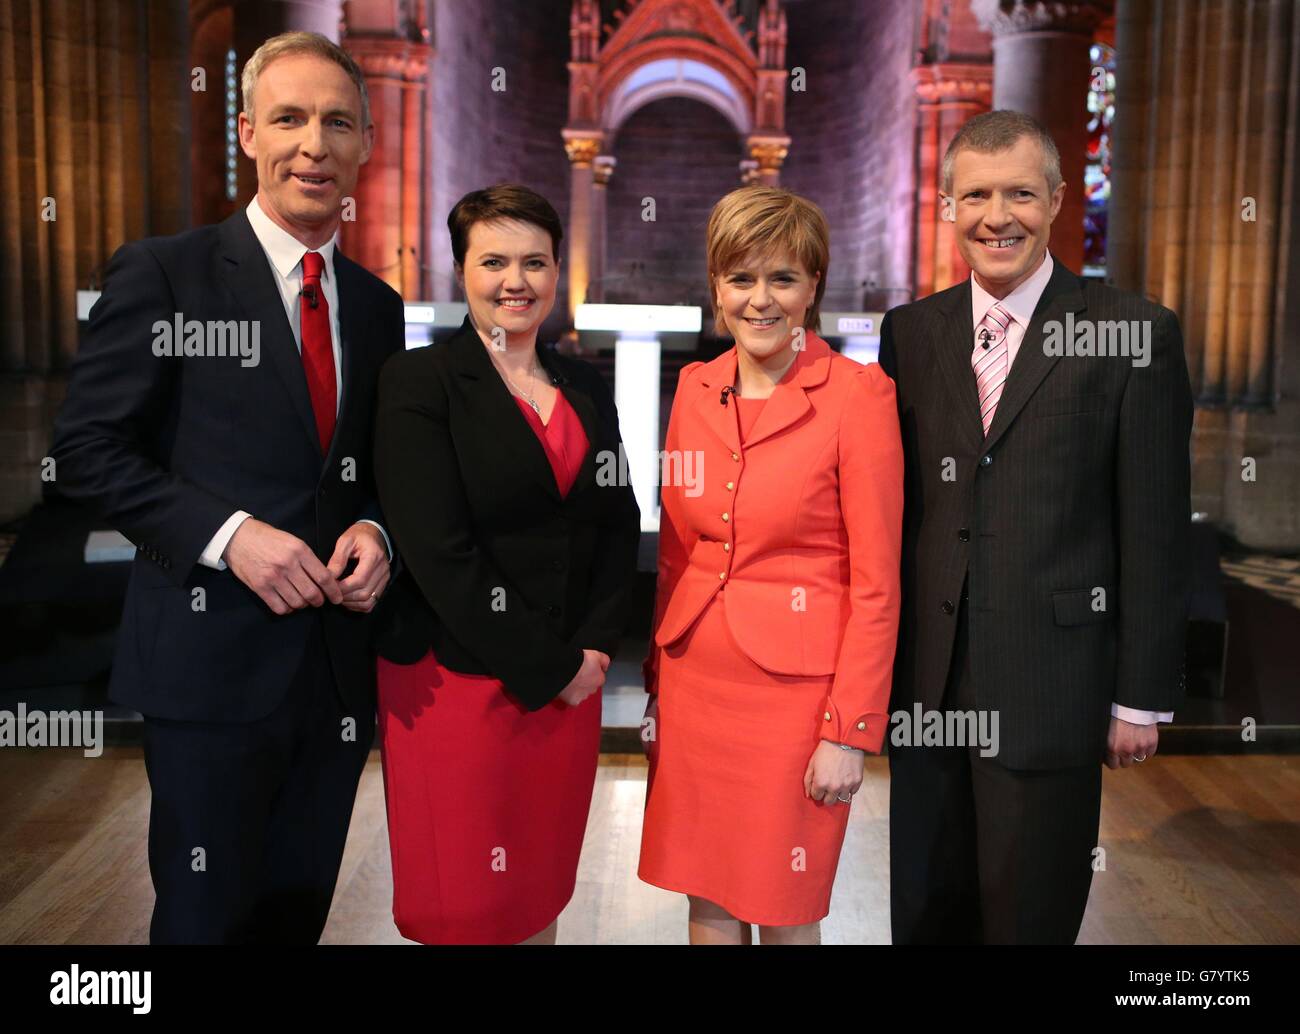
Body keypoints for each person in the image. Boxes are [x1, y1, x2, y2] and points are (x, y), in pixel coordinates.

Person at [48, 32, 403, 942]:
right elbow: (88, 451)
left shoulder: (375, 305)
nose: (312, 146)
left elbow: (373, 467)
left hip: (332, 675)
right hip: (209, 670)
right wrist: (229, 534)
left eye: (336, 123)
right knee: (204, 919)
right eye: (288, 118)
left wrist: (378, 529)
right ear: (247, 132)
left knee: (294, 917)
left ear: (366, 141)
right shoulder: (165, 273)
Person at [879, 109, 1193, 944]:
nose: (997, 216)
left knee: (1028, 920)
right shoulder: (909, 334)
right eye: (976, 195)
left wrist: (1141, 697)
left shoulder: (1132, 333)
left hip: (1052, 686)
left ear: (1056, 199)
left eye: (1020, 193)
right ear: (949, 205)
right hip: (927, 691)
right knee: (924, 914)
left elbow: (1156, 529)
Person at [371, 184, 641, 945]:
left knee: (535, 892)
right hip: (457, 682)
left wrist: (592, 650)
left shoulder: (585, 385)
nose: (515, 281)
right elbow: (438, 550)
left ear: (559, 271)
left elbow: (617, 523)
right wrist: (549, 663)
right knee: (467, 906)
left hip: (569, 684)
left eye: (534, 262)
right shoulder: (418, 382)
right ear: (462, 270)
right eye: (494, 261)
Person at [638, 185, 904, 945]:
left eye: (782, 278)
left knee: (786, 909)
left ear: (813, 286)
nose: (761, 300)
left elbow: (878, 583)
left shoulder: (860, 396)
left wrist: (850, 730)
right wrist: (658, 684)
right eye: (741, 278)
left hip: (797, 704)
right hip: (695, 683)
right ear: (716, 286)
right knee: (708, 904)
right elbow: (676, 555)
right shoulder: (694, 387)